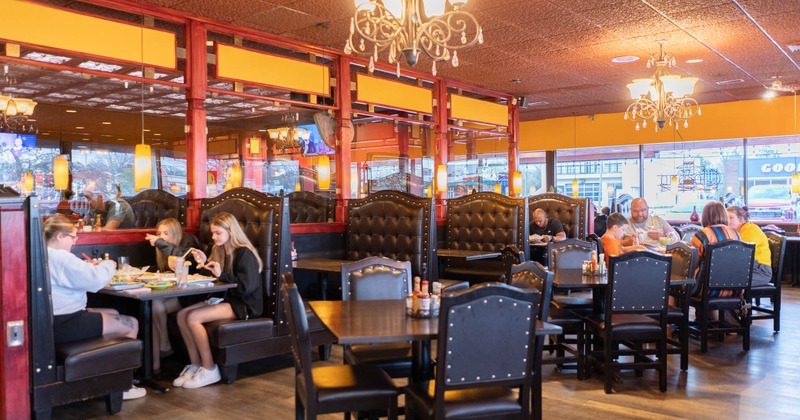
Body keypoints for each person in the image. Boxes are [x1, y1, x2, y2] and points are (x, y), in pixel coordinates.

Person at [44, 215, 146, 400]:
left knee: (113, 313)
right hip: (66, 323)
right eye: (73, 237)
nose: (75, 242)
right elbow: (94, 280)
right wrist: (109, 264)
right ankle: (122, 385)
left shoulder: (42, 253)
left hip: (50, 322)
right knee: (131, 323)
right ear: (59, 236)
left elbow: (79, 275)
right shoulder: (61, 257)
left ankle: (103, 376)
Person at [173, 212, 263, 389]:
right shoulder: (219, 250)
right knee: (182, 315)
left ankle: (210, 369)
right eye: (213, 233)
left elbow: (247, 287)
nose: (214, 237)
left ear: (231, 231)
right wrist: (203, 262)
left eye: (218, 233)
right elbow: (214, 277)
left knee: (193, 318)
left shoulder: (244, 252)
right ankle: (195, 364)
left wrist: (222, 275)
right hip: (225, 298)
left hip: (244, 304)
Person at [144, 218, 203, 373]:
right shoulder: (165, 250)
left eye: (166, 233)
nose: (162, 237)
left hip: (193, 294)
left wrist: (159, 243)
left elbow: (183, 256)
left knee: (154, 310)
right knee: (154, 305)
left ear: (175, 233)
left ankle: (163, 349)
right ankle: (154, 366)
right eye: (159, 234)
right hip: (177, 292)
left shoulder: (187, 241)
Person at [690, 201, 741, 301]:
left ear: (705, 216)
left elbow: (691, 263)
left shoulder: (702, 235)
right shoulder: (736, 234)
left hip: (705, 289)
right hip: (733, 288)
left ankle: (675, 311)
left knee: (673, 285)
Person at [727, 206, 772, 287]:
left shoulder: (751, 230)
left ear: (741, 219)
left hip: (760, 272)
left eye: (730, 218)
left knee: (725, 279)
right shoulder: (738, 231)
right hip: (748, 268)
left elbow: (742, 255)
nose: (727, 221)